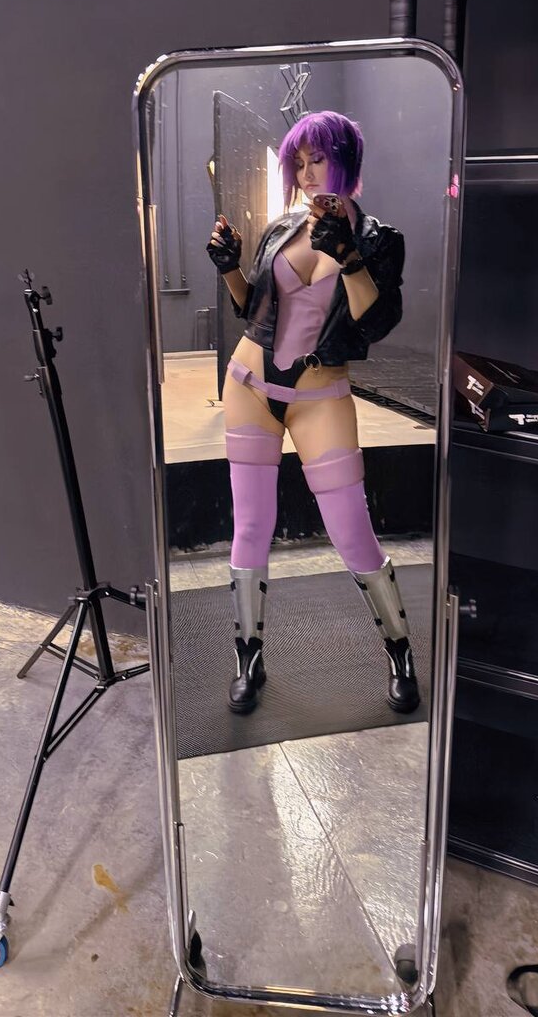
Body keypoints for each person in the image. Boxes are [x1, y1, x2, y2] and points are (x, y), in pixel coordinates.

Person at [206, 110, 420, 717]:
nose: (305, 173)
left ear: (345, 160)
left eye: (316, 159)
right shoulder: (282, 228)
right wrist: (229, 267)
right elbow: (253, 307)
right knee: (251, 524)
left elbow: (375, 322)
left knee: (351, 529)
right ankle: (248, 656)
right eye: (297, 163)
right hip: (249, 383)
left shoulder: (380, 239)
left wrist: (349, 258)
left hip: (321, 394)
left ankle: (400, 650)